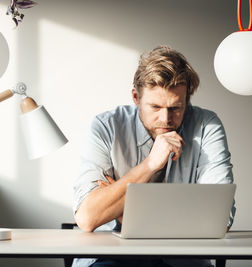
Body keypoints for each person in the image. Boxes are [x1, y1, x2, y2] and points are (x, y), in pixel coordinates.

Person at [72, 46, 236, 267]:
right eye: (155, 106)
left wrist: (124, 213)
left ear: (187, 99)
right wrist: (149, 164)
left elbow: (219, 220)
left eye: (176, 107)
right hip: (111, 255)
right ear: (135, 97)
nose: (166, 119)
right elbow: (88, 218)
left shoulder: (207, 125)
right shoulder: (106, 126)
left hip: (185, 258)